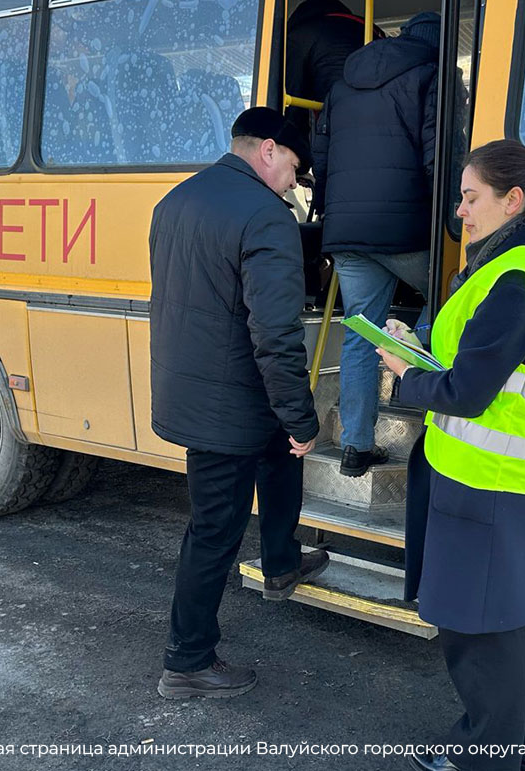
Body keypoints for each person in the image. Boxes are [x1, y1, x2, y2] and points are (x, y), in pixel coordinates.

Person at [377, 139, 525, 771]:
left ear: (511, 200)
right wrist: (420, 350)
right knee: (522, 616)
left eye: (470, 198)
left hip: (483, 480)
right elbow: (484, 370)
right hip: (512, 478)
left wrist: (402, 377)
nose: (460, 212)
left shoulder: (512, 276)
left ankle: (483, 757)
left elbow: (467, 392)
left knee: (479, 628)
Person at [148, 107, 330, 699]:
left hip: (200, 386)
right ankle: (187, 661)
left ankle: (280, 562)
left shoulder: (175, 201)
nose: (295, 185)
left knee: (281, 458)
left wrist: (286, 425)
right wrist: (302, 417)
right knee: (214, 530)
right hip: (229, 402)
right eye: (295, 172)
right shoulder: (265, 217)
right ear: (269, 151)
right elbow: (275, 335)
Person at [312, 11, 442, 477]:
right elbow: (437, 153)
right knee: (449, 303)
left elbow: (322, 155)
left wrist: (329, 210)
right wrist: (449, 218)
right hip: (406, 228)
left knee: (359, 334)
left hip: (346, 230)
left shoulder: (344, 81)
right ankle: (426, 408)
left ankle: (357, 446)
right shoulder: (434, 74)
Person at [284, 0, 382, 137]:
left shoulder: (300, 36)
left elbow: (292, 99)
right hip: (384, 114)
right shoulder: (371, 29)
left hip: (337, 120)